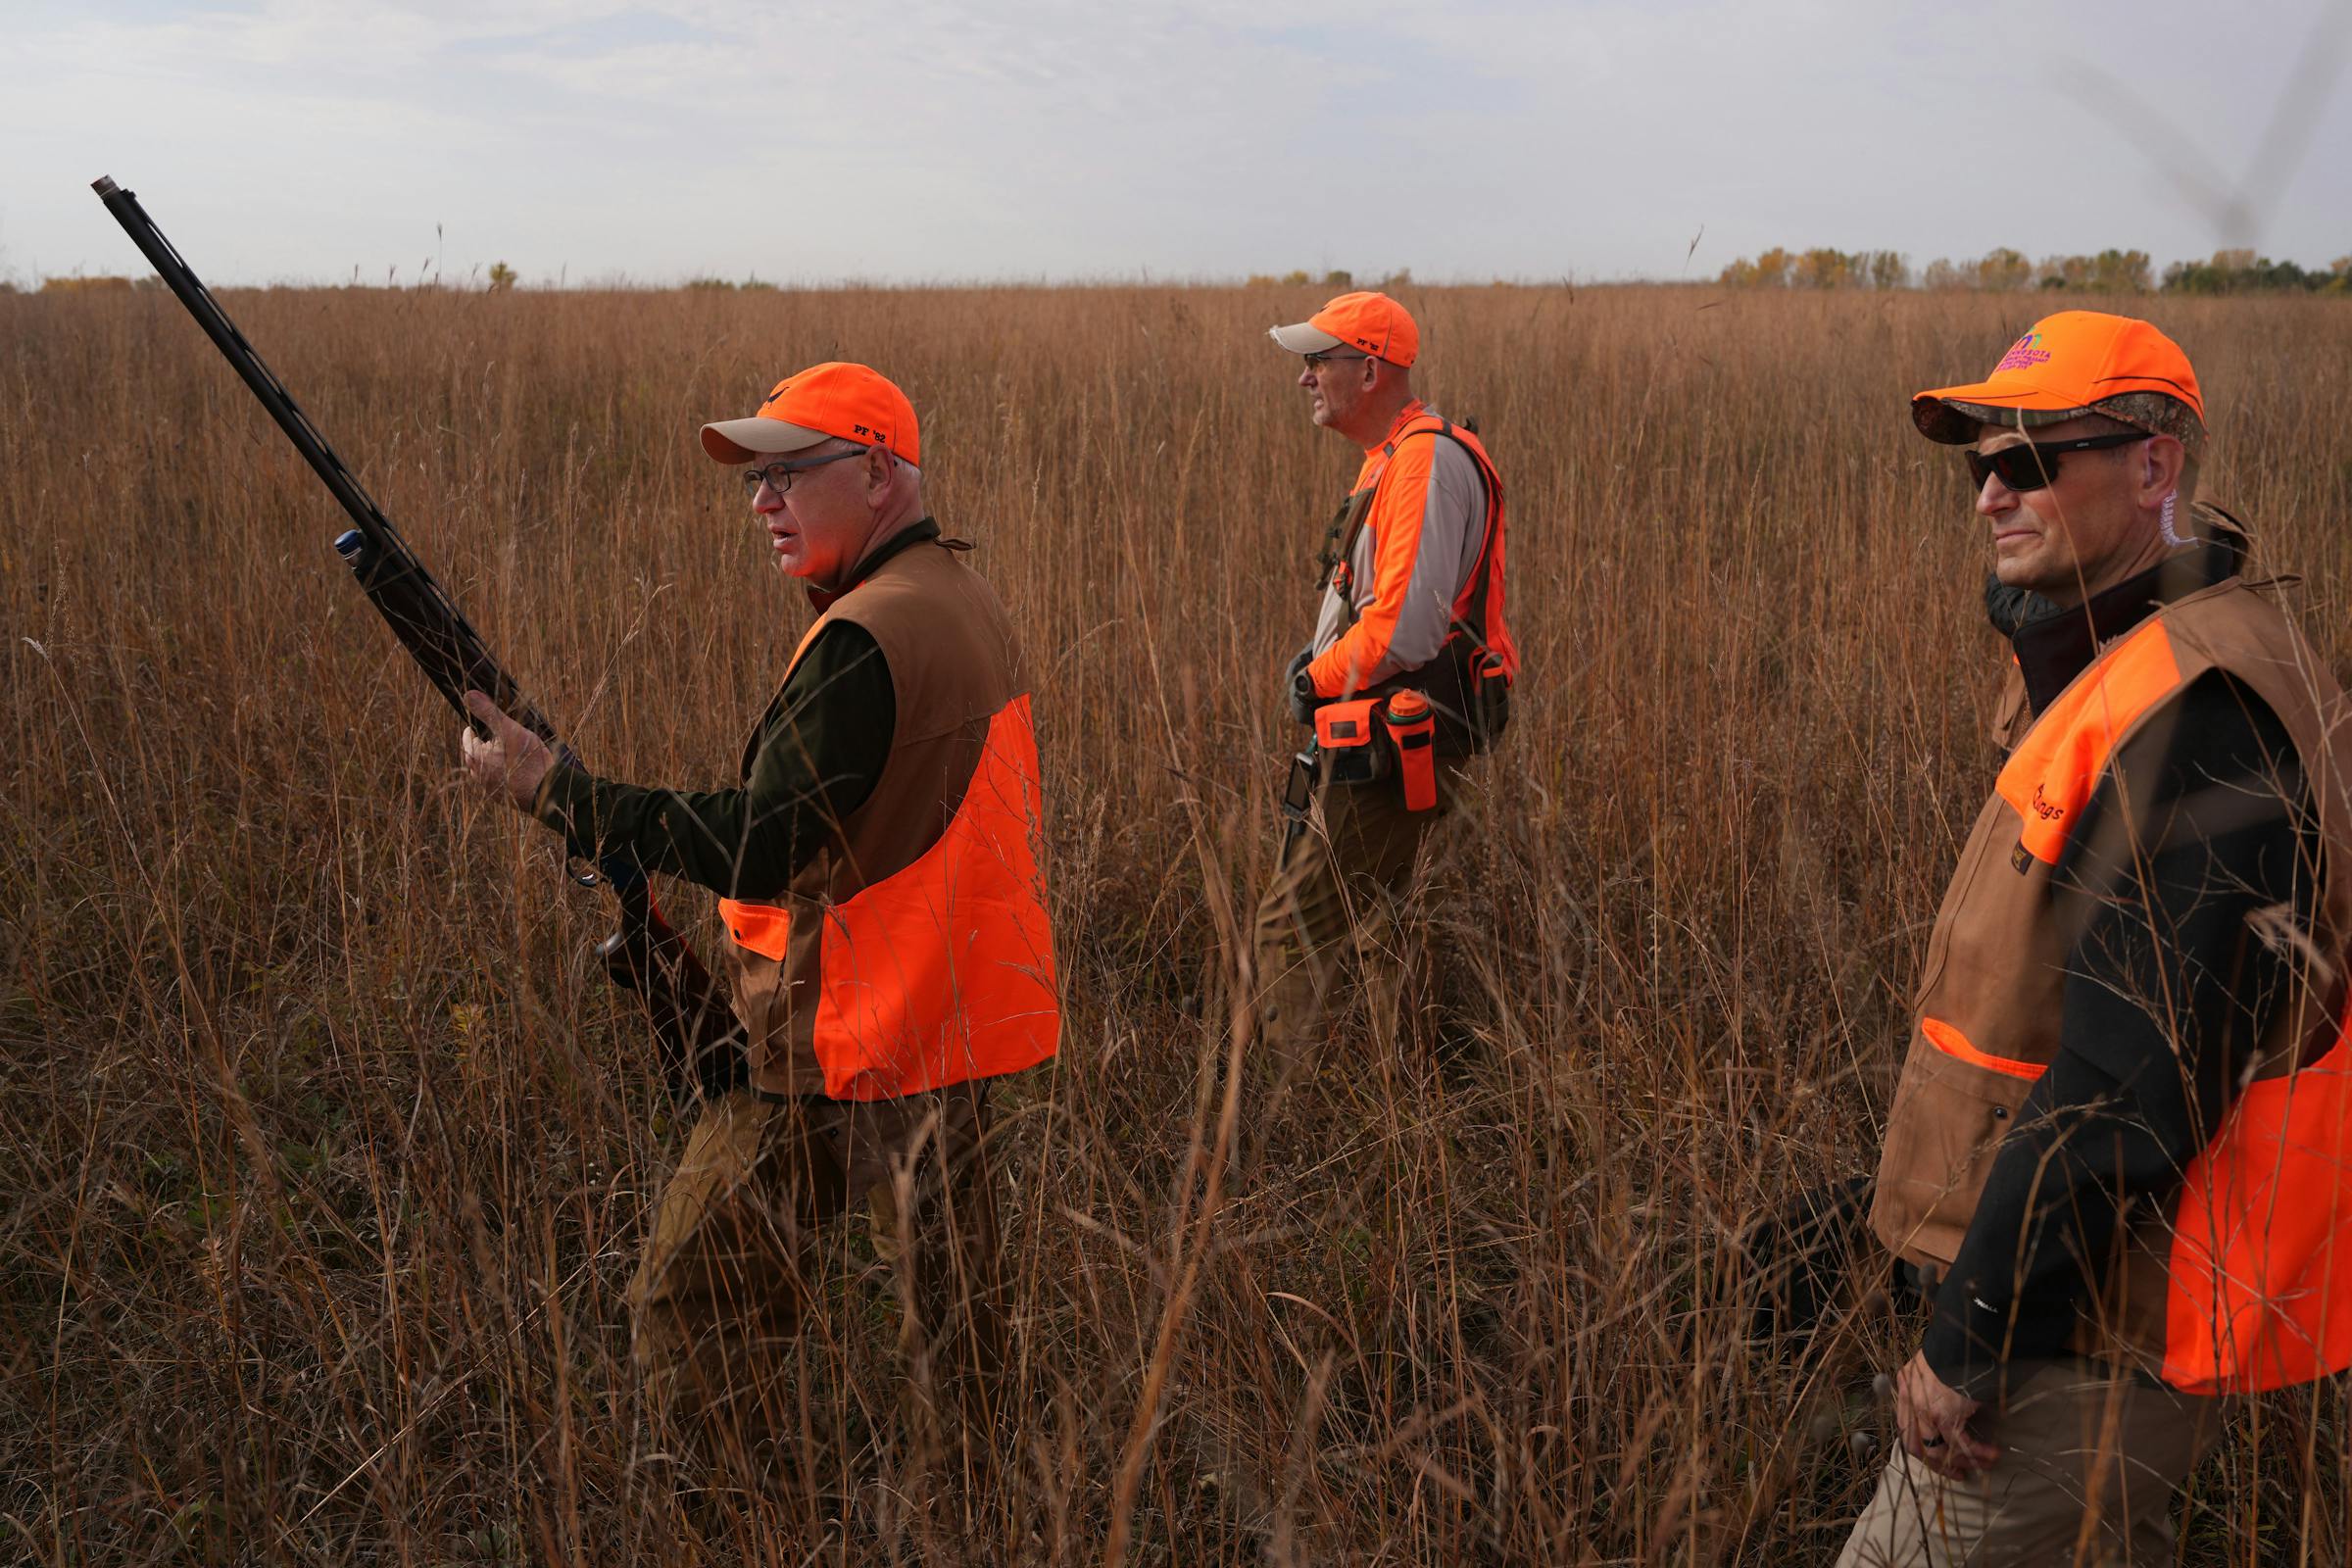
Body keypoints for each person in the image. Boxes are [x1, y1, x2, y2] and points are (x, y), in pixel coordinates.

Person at [458, 361, 1058, 1490]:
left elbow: (756, 846)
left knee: (685, 1312)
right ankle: (979, 1513)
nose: (759, 503)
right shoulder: (959, 597)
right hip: (948, 1027)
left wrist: (560, 794)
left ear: (877, 470)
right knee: (958, 1334)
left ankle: (739, 1520)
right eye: (754, 480)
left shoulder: (860, 641)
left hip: (841, 1048)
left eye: (787, 474)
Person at [1840, 311, 2352, 1565]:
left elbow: (2130, 1092)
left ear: (2154, 468)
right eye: (1979, 464)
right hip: (2088, 1302)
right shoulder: (2135, 654)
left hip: (2086, 1337)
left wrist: (1970, 1334)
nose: (1990, 494)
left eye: (2030, 459)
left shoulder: (2199, 714)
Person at [1252, 291, 1517, 1061]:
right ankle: (1402, 1102)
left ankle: (1279, 1125)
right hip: (1382, 730)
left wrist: (1313, 679)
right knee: (1384, 931)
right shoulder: (1397, 457)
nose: (1304, 379)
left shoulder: (1426, 464)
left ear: (1368, 371)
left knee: (1289, 930)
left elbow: (1406, 629)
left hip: (1396, 739)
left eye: (1316, 362)